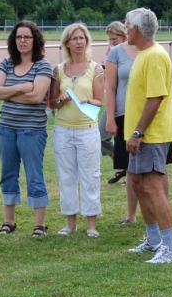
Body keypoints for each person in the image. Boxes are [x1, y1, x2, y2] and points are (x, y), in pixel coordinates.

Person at [123, 8, 172, 263]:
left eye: (127, 25)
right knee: (137, 184)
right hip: (140, 135)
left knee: (152, 187)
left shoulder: (155, 56)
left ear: (136, 29)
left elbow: (156, 98)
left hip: (151, 135)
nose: (125, 29)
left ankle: (171, 249)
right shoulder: (144, 54)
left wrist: (138, 132)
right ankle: (154, 240)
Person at [0, 21, 53, 238]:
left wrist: (7, 91)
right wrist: (19, 88)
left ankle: (40, 225)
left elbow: (37, 97)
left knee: (34, 175)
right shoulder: (6, 63)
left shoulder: (42, 65)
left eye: (27, 37)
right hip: (6, 128)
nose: (22, 41)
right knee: (8, 174)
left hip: (32, 130)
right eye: (19, 37)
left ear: (35, 40)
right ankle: (9, 221)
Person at [49, 23, 104, 238]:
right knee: (67, 176)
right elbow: (52, 103)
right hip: (63, 131)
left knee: (90, 176)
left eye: (82, 38)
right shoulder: (59, 70)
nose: (79, 42)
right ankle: (70, 223)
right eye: (75, 38)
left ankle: (91, 224)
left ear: (87, 41)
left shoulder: (96, 68)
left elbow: (100, 101)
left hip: (87, 131)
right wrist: (60, 100)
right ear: (67, 43)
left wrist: (87, 99)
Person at [105, 22, 139, 224]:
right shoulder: (116, 53)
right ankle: (131, 215)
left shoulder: (151, 50)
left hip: (148, 115)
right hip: (124, 114)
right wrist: (110, 117)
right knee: (130, 166)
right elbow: (110, 87)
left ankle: (157, 213)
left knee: (156, 168)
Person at [101, 22, 127, 185]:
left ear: (123, 35)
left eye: (114, 39)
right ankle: (123, 166)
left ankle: (127, 169)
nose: (111, 43)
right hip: (113, 100)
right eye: (109, 40)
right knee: (102, 135)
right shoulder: (111, 51)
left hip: (126, 103)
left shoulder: (131, 51)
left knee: (125, 139)